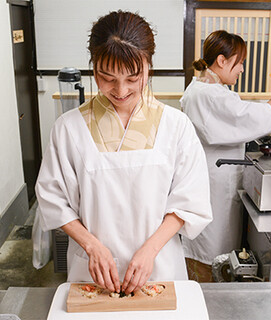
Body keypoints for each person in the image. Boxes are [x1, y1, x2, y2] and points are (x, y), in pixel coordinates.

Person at [35, 10, 212, 294]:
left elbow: (190, 201)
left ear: (148, 66)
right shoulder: (69, 129)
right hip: (91, 275)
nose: (120, 90)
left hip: (159, 269)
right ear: (94, 69)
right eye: (107, 78)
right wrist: (91, 245)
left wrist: (150, 250)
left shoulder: (176, 126)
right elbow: (53, 200)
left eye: (133, 77)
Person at [180, 30, 271, 282]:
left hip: (213, 178)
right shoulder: (209, 94)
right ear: (221, 61)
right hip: (213, 183)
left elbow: (242, 114)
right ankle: (208, 298)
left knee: (213, 246)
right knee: (212, 249)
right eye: (239, 62)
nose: (241, 68)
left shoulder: (203, 89)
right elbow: (246, 118)